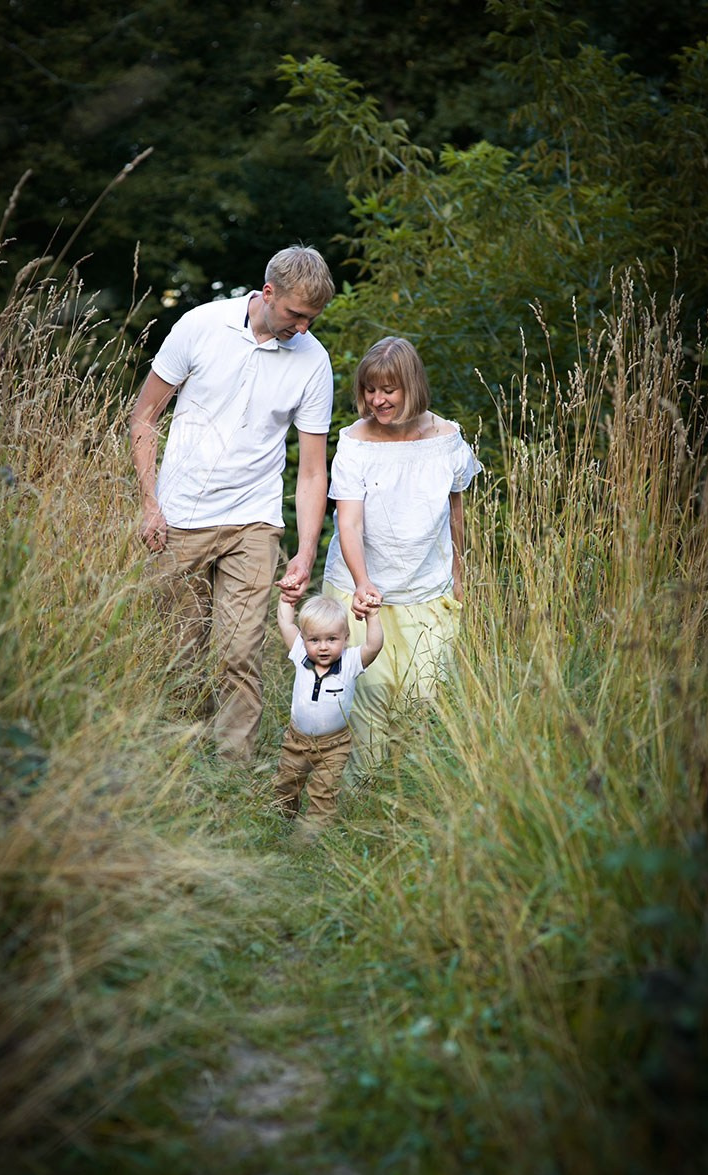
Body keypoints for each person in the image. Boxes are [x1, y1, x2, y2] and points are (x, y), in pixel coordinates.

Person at [129, 245, 336, 761]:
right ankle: (177, 759)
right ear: (267, 293)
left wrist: (305, 551)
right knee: (178, 649)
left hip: (253, 520)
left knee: (239, 652)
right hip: (181, 517)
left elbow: (313, 470)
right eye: (296, 315)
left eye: (312, 319)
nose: (303, 328)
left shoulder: (313, 360)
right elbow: (144, 418)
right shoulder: (200, 326)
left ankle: (232, 771)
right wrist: (151, 504)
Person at [322, 336, 482, 771]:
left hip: (427, 589)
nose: (377, 400)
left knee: (424, 695)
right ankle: (362, 789)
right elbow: (349, 524)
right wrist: (362, 583)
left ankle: (408, 790)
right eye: (370, 389)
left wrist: (461, 575)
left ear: (411, 386)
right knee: (368, 696)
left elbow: (456, 514)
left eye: (388, 390)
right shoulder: (355, 443)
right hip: (362, 593)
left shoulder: (447, 439)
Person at [272, 593, 383, 837]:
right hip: (296, 741)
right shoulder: (301, 654)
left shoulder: (350, 662)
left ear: (346, 637)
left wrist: (373, 616)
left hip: (334, 745)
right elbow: (286, 624)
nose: (323, 647)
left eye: (332, 639)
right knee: (286, 785)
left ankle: (310, 836)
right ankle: (280, 825)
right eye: (314, 640)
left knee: (324, 791)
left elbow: (374, 646)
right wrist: (286, 599)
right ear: (304, 639)